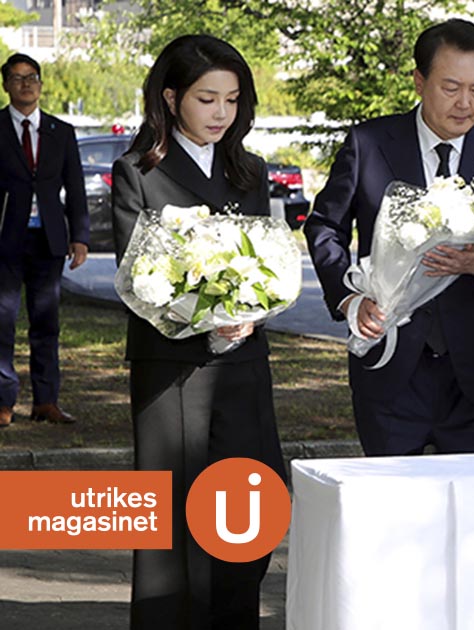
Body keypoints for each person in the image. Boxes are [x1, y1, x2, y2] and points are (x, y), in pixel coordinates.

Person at [111, 35, 285, 629]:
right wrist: (205, 316)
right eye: (207, 99)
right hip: (171, 369)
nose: (220, 113)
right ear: (171, 97)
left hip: (242, 365)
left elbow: (269, 261)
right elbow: (137, 277)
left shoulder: (250, 171)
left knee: (246, 513)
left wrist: (253, 311)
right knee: (173, 523)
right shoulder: (138, 171)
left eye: (232, 100)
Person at [305, 19, 474, 456]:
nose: (465, 103)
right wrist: (349, 299)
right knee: (392, 495)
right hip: (390, 360)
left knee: (472, 495)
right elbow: (325, 226)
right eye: (451, 88)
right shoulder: (369, 143)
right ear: (419, 81)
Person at [0, 53, 88, 428]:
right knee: (2, 322)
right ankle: (3, 401)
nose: (26, 84)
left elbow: (76, 187)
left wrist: (80, 237)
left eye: (32, 77)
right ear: (6, 85)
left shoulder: (61, 131)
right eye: (18, 78)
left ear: (40, 84)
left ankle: (46, 401)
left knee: (46, 323)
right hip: (5, 239)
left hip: (49, 240)